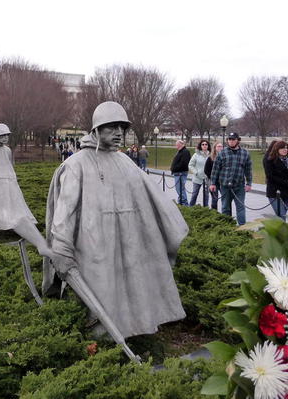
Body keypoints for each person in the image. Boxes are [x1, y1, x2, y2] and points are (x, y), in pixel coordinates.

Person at [43, 101, 187, 339]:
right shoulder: (75, 165)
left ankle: (137, 329)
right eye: (111, 127)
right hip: (94, 245)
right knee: (102, 292)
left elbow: (151, 202)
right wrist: (61, 248)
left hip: (128, 241)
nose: (119, 133)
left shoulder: (125, 162)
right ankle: (99, 338)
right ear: (96, 130)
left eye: (122, 127)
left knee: (131, 288)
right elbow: (65, 213)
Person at [0, 123, 53, 259]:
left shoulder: (7, 150)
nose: (6, 138)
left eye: (7, 135)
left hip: (3, 186)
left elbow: (9, 167)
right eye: (2, 135)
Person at [209, 132, 253, 226]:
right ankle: (227, 227)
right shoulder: (222, 153)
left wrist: (249, 183)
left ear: (238, 140)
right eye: (229, 139)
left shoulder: (245, 153)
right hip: (225, 185)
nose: (231, 141)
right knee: (225, 207)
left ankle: (242, 227)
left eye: (233, 139)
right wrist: (213, 183)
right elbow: (215, 169)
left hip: (239, 186)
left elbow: (248, 170)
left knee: (240, 207)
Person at [265, 140, 288, 220]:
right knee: (282, 215)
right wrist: (286, 182)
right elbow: (270, 176)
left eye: (286, 148)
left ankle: (277, 231)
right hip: (275, 192)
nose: (285, 149)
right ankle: (283, 232)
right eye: (282, 148)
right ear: (277, 149)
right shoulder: (270, 161)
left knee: (282, 215)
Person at [188, 140, 210, 206]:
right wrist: (196, 172)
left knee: (206, 195)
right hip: (197, 178)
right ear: (200, 146)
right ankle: (191, 207)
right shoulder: (196, 155)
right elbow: (190, 165)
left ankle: (206, 209)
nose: (204, 146)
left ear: (208, 146)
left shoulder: (210, 155)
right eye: (202, 144)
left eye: (206, 144)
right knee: (194, 194)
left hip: (207, 178)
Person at [170, 140, 190, 206]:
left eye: (177, 145)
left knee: (180, 189)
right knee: (179, 189)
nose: (176, 146)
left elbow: (184, 163)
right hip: (177, 173)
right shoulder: (180, 151)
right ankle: (181, 202)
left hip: (181, 173)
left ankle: (184, 204)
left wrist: (175, 168)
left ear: (181, 144)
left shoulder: (185, 152)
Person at [204, 142, 223, 210]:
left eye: (221, 146)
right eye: (218, 146)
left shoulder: (225, 157)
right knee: (215, 199)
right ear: (215, 148)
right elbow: (206, 170)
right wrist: (212, 178)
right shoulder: (210, 158)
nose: (220, 148)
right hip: (213, 181)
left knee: (225, 198)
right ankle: (214, 213)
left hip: (222, 181)